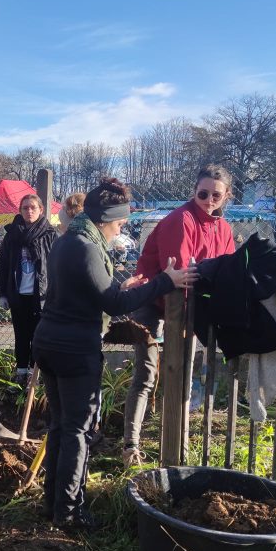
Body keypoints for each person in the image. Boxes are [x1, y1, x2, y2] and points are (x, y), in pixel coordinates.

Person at [33, 179, 195, 530]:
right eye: (120, 223)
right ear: (105, 219)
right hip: (74, 349)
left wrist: (120, 285)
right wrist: (165, 280)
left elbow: (88, 291)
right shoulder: (86, 247)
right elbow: (114, 304)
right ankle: (71, 513)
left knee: (60, 427)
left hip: (49, 343)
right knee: (78, 430)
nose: (121, 229)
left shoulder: (67, 241)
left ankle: (52, 504)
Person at [122, 164, 236, 467]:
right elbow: (179, 277)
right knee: (147, 374)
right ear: (193, 191)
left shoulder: (223, 228)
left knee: (184, 372)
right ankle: (130, 445)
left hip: (191, 305)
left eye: (216, 195)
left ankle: (176, 435)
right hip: (154, 301)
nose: (209, 199)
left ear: (226, 197)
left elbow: (224, 273)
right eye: (203, 193)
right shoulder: (180, 220)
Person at [0, 194, 59, 381]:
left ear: (41, 210)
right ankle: (21, 371)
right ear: (20, 211)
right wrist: (2, 294)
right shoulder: (12, 235)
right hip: (18, 295)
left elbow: (57, 266)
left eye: (33, 207)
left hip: (41, 296)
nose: (29, 211)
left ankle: (35, 373)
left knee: (39, 336)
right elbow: (2, 265)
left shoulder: (50, 235)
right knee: (21, 335)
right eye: (25, 208)